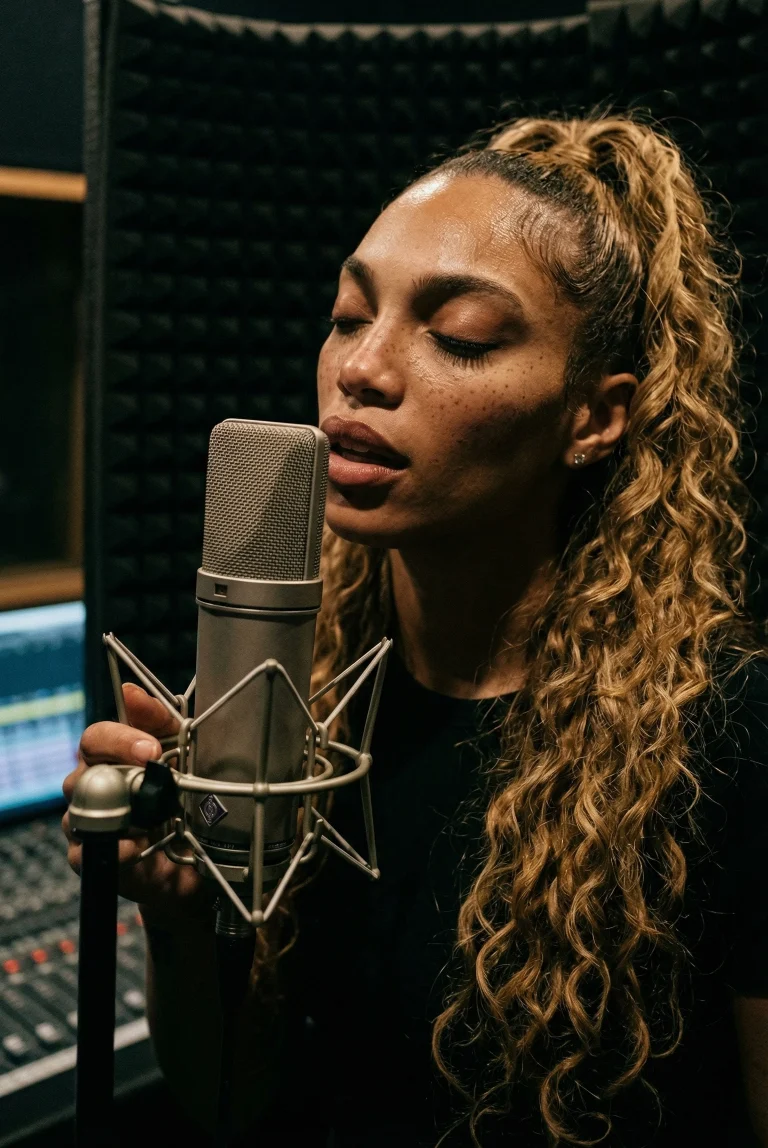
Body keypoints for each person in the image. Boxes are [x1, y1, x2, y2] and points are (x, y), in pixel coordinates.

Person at [64, 112, 768, 1147]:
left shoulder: (732, 744)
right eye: (350, 317)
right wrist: (176, 924)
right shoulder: (294, 688)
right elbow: (232, 1096)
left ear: (594, 416)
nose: (363, 369)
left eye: (460, 337)